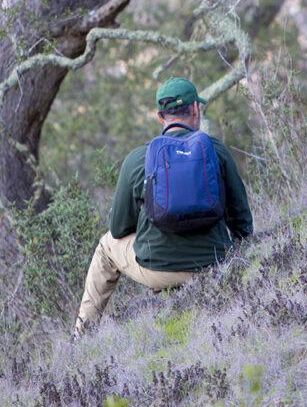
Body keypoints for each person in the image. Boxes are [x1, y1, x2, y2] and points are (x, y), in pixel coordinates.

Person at [72, 77, 253, 336]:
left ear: (160, 117)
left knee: (105, 247)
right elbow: (242, 221)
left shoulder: (138, 159)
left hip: (156, 269)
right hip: (215, 264)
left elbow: (119, 228)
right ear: (195, 109)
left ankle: (82, 336)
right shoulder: (216, 151)